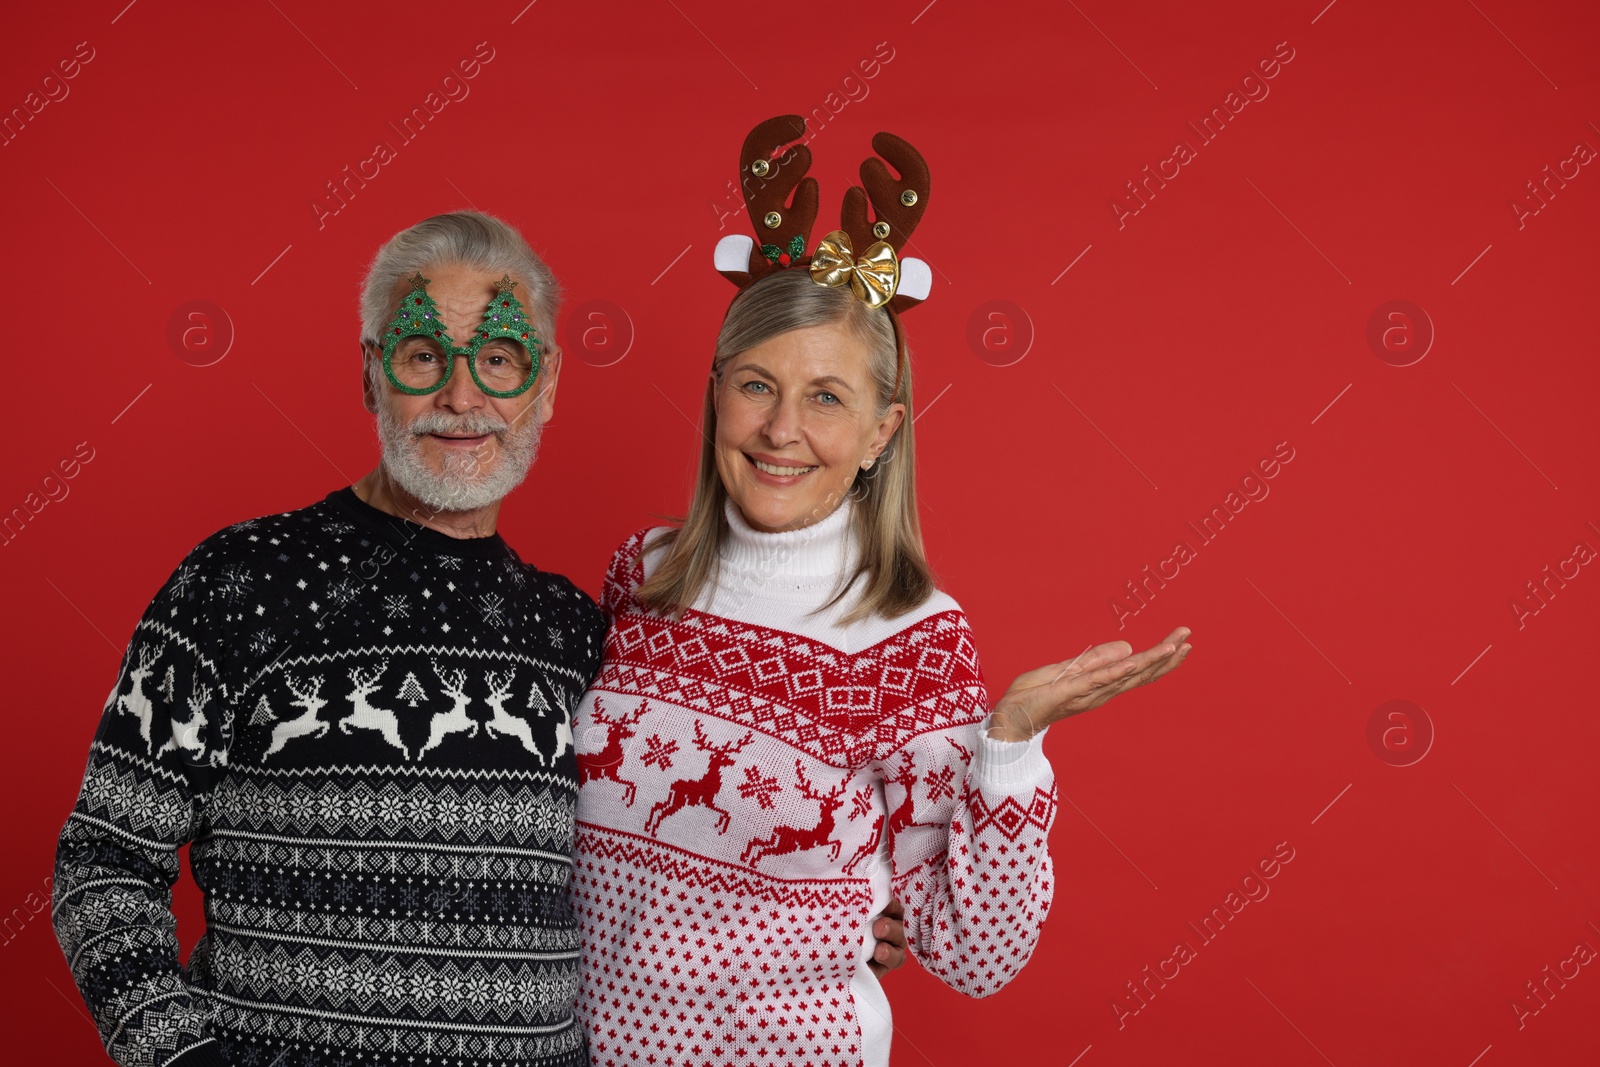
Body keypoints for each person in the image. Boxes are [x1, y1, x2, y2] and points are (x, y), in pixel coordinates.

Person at [566, 118, 1190, 1067]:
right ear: (715, 395)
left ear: (881, 431)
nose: (781, 429)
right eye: (755, 385)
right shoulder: (639, 576)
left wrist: (1010, 745)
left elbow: (975, 957)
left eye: (826, 397)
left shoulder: (911, 640)